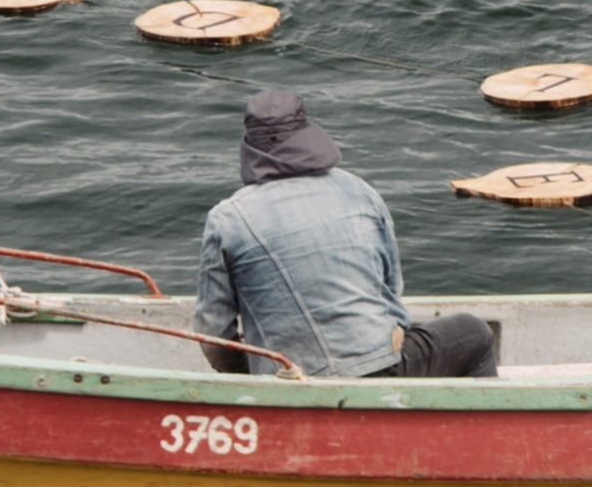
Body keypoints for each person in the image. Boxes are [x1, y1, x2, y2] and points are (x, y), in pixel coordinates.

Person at [193, 89, 498, 378]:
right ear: (306, 133)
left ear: (250, 146)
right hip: (383, 370)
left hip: (290, 383)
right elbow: (391, 293)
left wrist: (249, 376)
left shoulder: (227, 218)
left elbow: (213, 335)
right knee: (476, 333)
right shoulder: (358, 190)